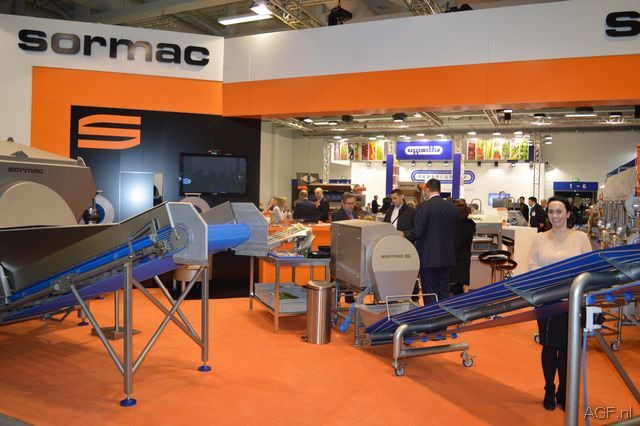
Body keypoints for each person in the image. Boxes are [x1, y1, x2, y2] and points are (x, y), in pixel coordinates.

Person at [528, 196, 592, 411]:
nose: (554, 216)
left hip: (573, 301)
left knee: (567, 348)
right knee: (549, 346)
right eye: (551, 211)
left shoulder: (580, 238)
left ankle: (564, 391)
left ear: (568, 213)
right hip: (547, 301)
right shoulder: (539, 239)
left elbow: (588, 268)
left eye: (559, 211)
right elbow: (533, 266)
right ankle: (549, 389)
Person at [407, 178, 459, 305]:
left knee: (430, 292)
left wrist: (404, 235)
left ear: (427, 190)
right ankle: (443, 317)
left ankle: (431, 317)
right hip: (447, 257)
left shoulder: (423, 207)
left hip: (428, 257)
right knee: (443, 291)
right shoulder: (452, 207)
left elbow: (418, 232)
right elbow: (456, 233)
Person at [450, 200, 476, 296]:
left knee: (455, 289)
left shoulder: (464, 226)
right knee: (457, 289)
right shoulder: (468, 226)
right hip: (461, 262)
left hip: (457, 262)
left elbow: (457, 244)